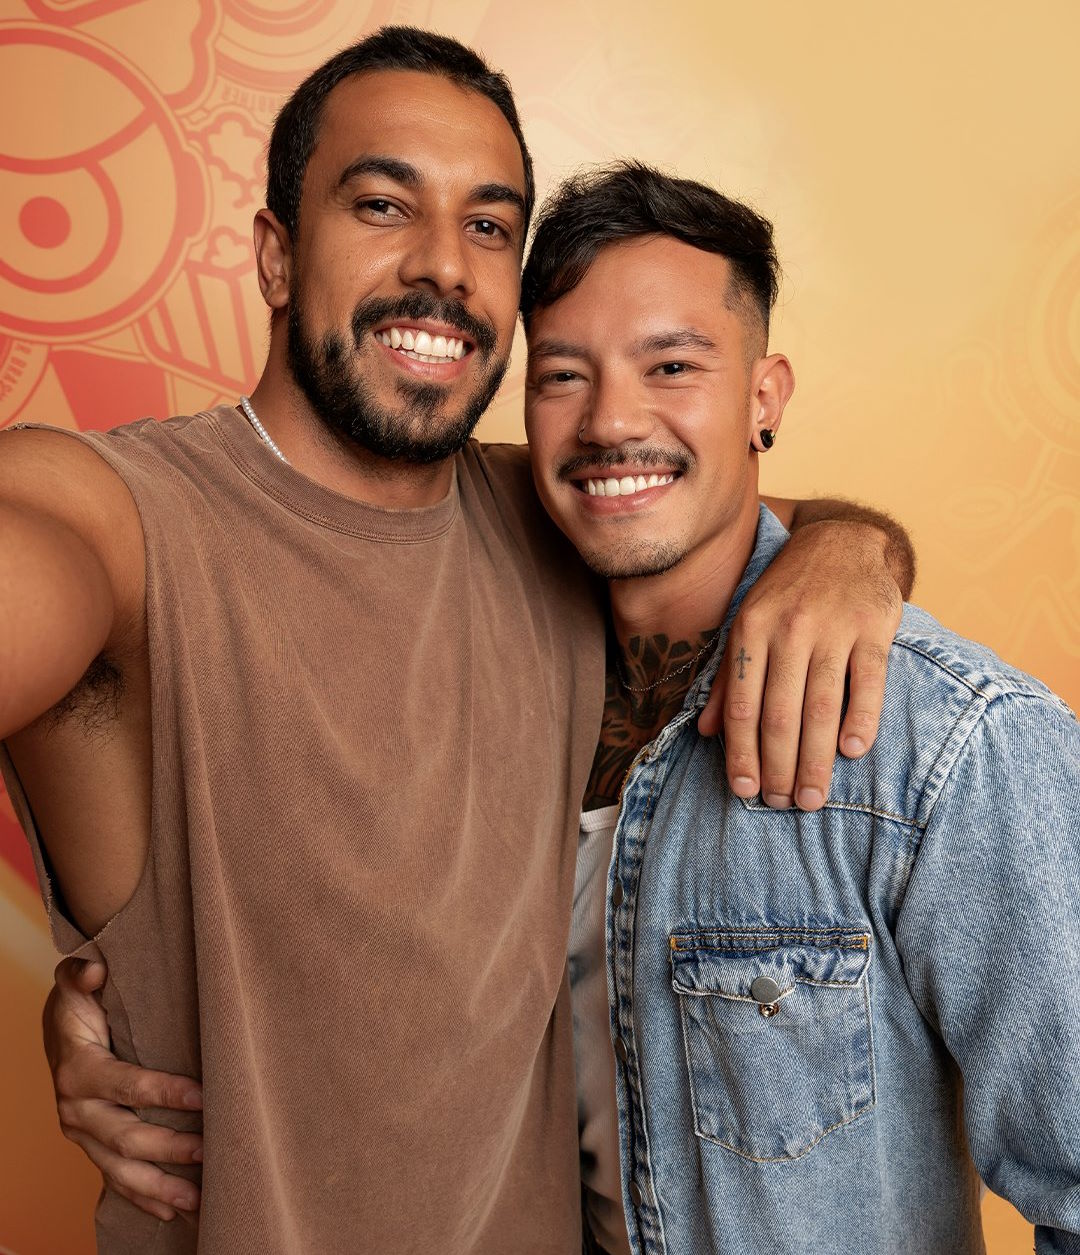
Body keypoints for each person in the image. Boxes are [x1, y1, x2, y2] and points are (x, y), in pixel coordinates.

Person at [5, 29, 913, 1254]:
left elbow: (748, 513)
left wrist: (853, 550)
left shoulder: (562, 514)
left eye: (489, 225)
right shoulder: (118, 519)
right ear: (276, 255)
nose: (443, 264)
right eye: (383, 204)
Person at [519, 164, 1080, 1254]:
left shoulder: (944, 742)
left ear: (764, 396)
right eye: (563, 375)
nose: (610, 420)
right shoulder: (499, 682)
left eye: (672, 365)